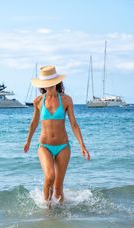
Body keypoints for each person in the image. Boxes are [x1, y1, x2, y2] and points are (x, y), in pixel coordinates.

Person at [24, 65, 90, 205]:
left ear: (56, 82)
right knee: (49, 176)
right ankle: (47, 209)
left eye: (50, 83)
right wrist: (28, 140)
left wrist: (82, 145)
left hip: (63, 147)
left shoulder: (66, 100)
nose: (48, 86)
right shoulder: (38, 101)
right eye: (45, 84)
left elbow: (74, 124)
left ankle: (60, 217)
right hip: (45, 146)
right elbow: (34, 123)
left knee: (58, 188)